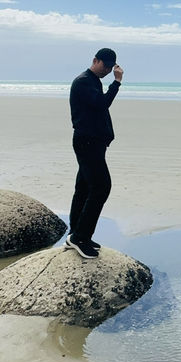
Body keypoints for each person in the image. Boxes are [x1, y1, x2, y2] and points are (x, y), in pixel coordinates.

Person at [66, 48, 123, 259]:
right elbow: (102, 104)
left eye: (110, 67)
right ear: (95, 60)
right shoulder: (83, 81)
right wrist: (117, 83)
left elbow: (98, 108)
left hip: (92, 143)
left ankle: (76, 232)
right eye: (104, 65)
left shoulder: (92, 81)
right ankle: (80, 237)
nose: (107, 70)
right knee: (101, 187)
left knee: (83, 187)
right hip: (87, 143)